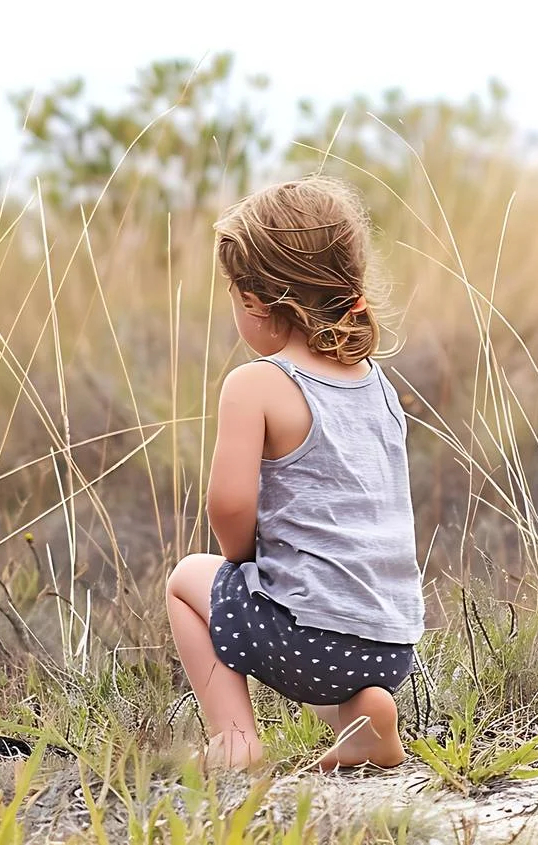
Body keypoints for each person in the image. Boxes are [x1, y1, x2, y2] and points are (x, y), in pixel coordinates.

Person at [165, 175, 426, 772]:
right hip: (391, 647)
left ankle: (235, 741)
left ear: (255, 302)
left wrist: (242, 560)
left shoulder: (256, 383)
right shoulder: (376, 384)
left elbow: (229, 507)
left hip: (314, 642)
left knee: (187, 581)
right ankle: (362, 719)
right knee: (318, 613)